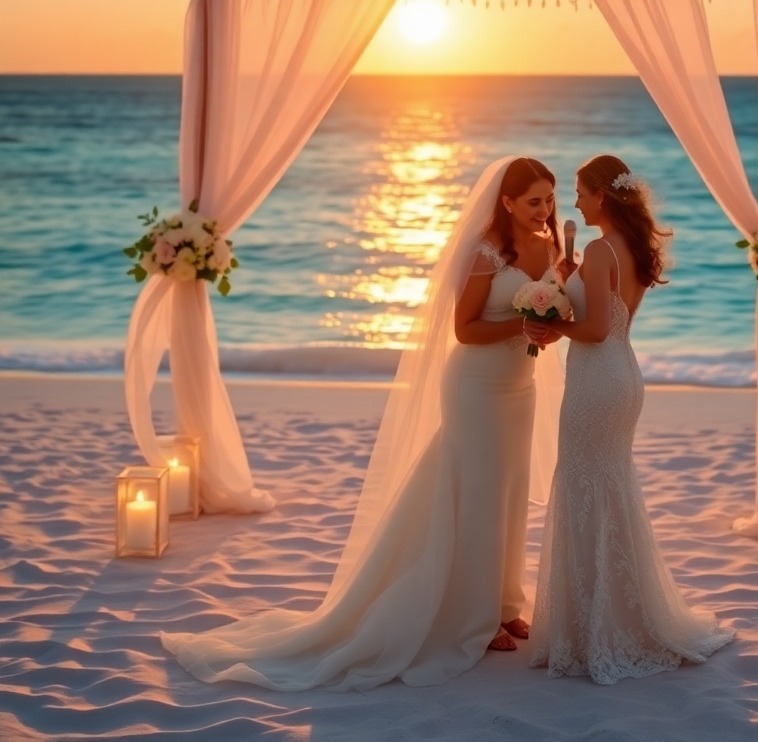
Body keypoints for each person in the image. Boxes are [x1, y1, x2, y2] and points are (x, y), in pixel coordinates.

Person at [163, 156, 564, 690]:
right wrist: (525, 321)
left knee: (509, 491)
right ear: (508, 201)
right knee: (480, 494)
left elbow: (551, 319)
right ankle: (475, 616)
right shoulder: (485, 252)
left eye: (550, 199)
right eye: (534, 200)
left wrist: (549, 326)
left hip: (521, 387)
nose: (544, 209)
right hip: (476, 385)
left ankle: (506, 601)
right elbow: (465, 331)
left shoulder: (553, 247)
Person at [527, 154, 734, 685]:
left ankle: (595, 629)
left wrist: (547, 322)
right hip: (624, 376)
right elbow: (614, 318)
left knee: (584, 486)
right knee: (610, 489)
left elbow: (594, 329)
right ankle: (618, 617)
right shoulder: (628, 249)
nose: (572, 202)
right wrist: (569, 288)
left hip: (597, 381)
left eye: (579, 192)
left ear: (602, 196)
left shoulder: (599, 249)